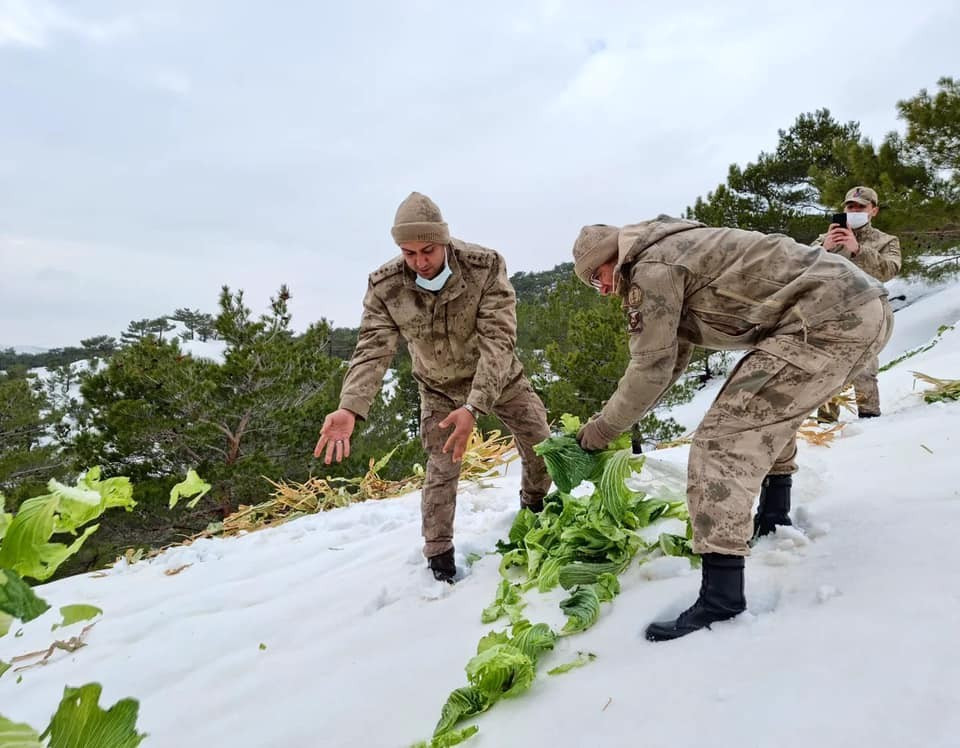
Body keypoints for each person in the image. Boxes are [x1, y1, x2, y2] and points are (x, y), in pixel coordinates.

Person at [570, 216, 893, 641]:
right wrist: (613, 422)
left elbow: (649, 367)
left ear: (613, 258)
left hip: (830, 322)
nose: (605, 290)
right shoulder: (670, 250)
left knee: (720, 440)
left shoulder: (652, 269)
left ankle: (721, 600)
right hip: (856, 310)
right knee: (762, 412)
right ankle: (774, 516)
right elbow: (669, 362)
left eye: (598, 278)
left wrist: (598, 432)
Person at [314, 192, 552, 583]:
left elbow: (498, 342)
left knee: (540, 444)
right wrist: (350, 407)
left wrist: (474, 407)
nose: (421, 263)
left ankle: (535, 510)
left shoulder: (485, 267)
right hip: (439, 390)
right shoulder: (386, 286)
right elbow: (373, 349)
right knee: (442, 468)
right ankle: (439, 557)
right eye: (409, 254)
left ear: (444, 241)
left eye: (428, 250)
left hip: (499, 379)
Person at [813, 186, 901, 420]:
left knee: (865, 366)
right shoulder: (825, 239)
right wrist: (824, 249)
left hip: (868, 312)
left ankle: (870, 418)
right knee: (826, 368)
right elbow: (801, 268)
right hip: (829, 312)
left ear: (874, 211)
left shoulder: (886, 241)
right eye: (850, 206)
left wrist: (858, 250)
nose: (854, 210)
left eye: (860, 207)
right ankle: (826, 421)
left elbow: (888, 270)